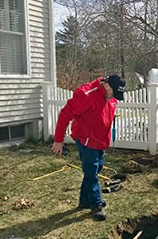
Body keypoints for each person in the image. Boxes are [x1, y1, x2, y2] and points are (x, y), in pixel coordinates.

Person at [52, 74, 125, 221]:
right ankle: (96, 205)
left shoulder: (111, 98)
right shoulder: (85, 95)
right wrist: (58, 140)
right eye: (114, 93)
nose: (114, 98)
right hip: (86, 140)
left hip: (100, 141)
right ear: (106, 85)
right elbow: (65, 115)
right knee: (91, 172)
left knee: (97, 169)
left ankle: (85, 200)